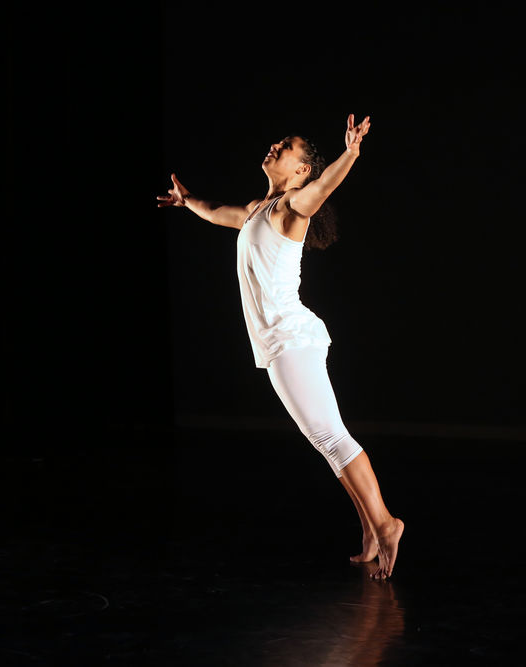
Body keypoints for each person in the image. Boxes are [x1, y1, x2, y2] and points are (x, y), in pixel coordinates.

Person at [157, 114, 403, 579]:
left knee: (333, 439)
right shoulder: (256, 209)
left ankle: (388, 524)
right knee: (326, 442)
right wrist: (187, 201)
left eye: (286, 146)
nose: (275, 146)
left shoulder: (293, 206)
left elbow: (325, 189)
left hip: (292, 341)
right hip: (282, 342)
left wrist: (350, 153)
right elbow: (217, 212)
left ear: (301, 171)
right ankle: (371, 526)